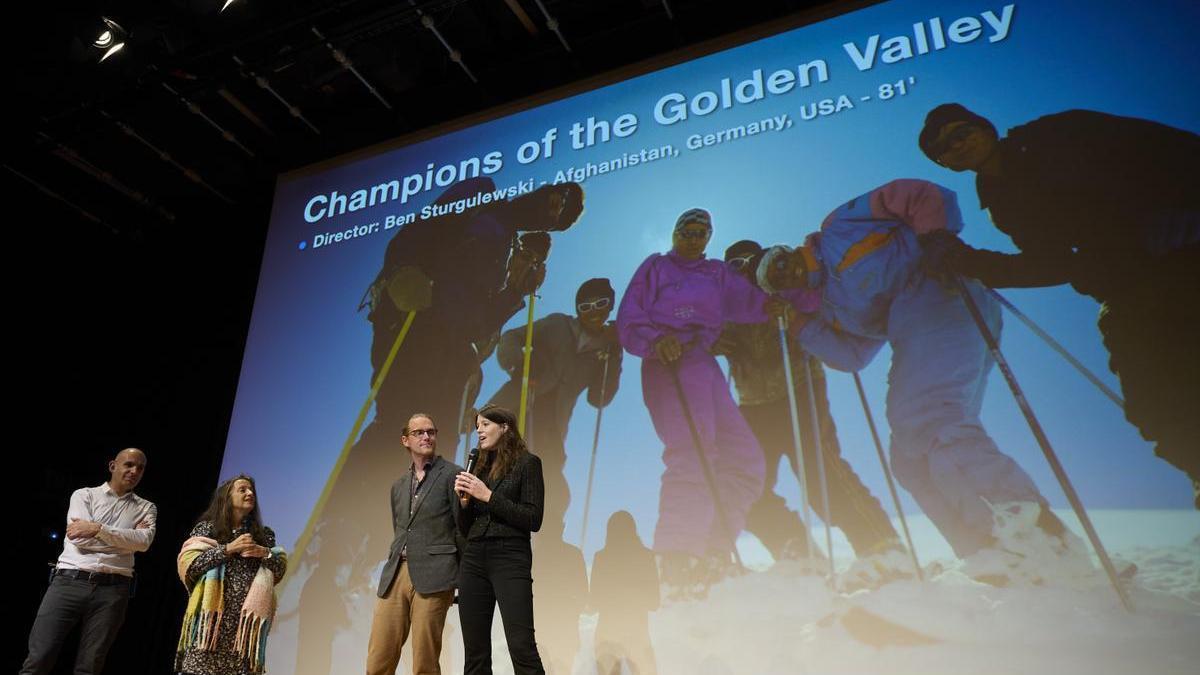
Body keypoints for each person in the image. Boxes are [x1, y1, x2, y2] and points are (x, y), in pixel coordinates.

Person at [296, 178, 583, 667]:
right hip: (415, 319)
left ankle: (386, 545)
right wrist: (402, 272)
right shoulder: (485, 194)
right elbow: (415, 232)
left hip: (452, 348)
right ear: (539, 190)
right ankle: (340, 529)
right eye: (556, 201)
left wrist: (516, 290)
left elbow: (479, 319)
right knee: (403, 418)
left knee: (435, 448)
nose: (552, 213)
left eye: (561, 217)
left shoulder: (507, 247)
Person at [758, 179, 1088, 585]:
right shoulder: (834, 305)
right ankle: (988, 554)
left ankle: (1033, 534)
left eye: (774, 259)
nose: (779, 270)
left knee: (928, 418)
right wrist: (798, 325)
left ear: (785, 247)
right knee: (908, 457)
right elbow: (853, 356)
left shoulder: (838, 228)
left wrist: (936, 241)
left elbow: (922, 194)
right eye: (772, 280)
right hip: (913, 326)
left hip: (942, 290)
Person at [917, 104, 1200, 506]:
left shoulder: (1058, 133)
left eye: (961, 131)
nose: (957, 144)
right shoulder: (1004, 205)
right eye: (943, 147)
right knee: (1151, 405)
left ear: (986, 126)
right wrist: (968, 262)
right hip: (1131, 288)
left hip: (1182, 252)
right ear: (945, 164)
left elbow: (1162, 145)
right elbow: (1051, 263)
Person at [716, 240, 906, 587]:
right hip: (754, 404)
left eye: (747, 262)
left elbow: (816, 301)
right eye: (732, 266)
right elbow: (702, 332)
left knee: (821, 471)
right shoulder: (725, 308)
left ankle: (884, 551)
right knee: (746, 488)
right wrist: (712, 341)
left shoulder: (781, 286)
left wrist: (792, 314)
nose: (741, 270)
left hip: (800, 388)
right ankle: (800, 556)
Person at [615, 208, 769, 599]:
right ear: (676, 232)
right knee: (693, 450)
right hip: (669, 360)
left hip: (705, 363)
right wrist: (654, 340)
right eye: (689, 230)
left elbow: (751, 301)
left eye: (703, 232)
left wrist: (781, 304)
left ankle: (713, 550)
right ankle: (678, 556)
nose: (695, 237)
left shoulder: (716, 273)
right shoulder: (656, 267)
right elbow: (629, 318)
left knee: (746, 458)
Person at [486, 277, 623, 535]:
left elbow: (599, 399)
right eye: (585, 306)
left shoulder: (604, 351)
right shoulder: (558, 324)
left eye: (600, 304)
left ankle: (548, 541)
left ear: (610, 307)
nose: (593, 312)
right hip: (516, 405)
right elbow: (511, 337)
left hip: (552, 425)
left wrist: (614, 356)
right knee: (497, 469)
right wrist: (519, 365)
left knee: (552, 486)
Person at [22, 448, 156, 675]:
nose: (135, 471)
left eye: (140, 468)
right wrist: (124, 539)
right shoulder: (84, 495)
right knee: (39, 658)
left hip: (113, 590)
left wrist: (96, 528)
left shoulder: (146, 507)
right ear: (113, 466)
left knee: (90, 666)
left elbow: (143, 543)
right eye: (129, 465)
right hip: (69, 582)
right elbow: (79, 539)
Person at [365, 413, 464, 675]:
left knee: (425, 662)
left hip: (435, 573)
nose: (426, 437)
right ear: (405, 440)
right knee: (378, 659)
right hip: (396, 573)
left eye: (431, 431)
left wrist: (463, 577)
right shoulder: (398, 486)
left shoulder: (453, 474)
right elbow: (401, 529)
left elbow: (462, 529)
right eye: (419, 432)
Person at [454, 404, 546, 675]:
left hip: (510, 557)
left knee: (521, 645)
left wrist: (488, 496)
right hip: (473, 559)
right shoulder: (478, 468)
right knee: (475, 652)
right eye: (477, 426)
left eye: (485, 424)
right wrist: (463, 503)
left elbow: (533, 519)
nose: (479, 431)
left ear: (504, 427)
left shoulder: (528, 463)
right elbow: (464, 528)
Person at [176, 475, 287, 675]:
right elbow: (191, 568)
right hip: (210, 623)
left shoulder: (264, 535)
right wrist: (228, 549)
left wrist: (264, 552)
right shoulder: (207, 530)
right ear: (226, 497)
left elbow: (278, 570)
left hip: (243, 629)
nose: (250, 493)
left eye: (252, 490)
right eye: (243, 489)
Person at [589, 511, 659, 675]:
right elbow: (655, 602)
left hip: (607, 634)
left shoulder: (601, 557)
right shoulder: (646, 557)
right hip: (637, 633)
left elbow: (594, 602)